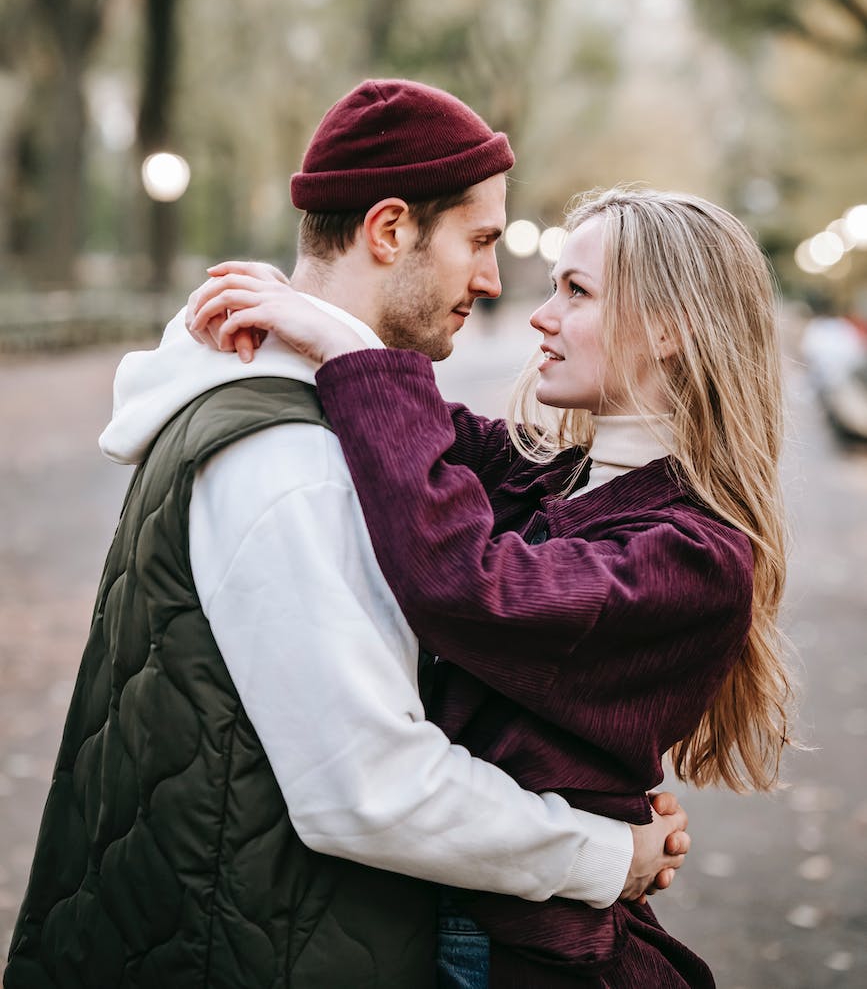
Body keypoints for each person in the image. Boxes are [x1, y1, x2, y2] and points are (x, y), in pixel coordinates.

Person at [4, 84, 688, 989]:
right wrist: (608, 858)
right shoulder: (297, 459)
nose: (493, 284)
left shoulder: (282, 413)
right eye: (480, 241)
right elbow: (370, 787)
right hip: (259, 948)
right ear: (391, 229)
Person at [188, 184, 792, 987]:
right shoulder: (547, 474)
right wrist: (316, 321)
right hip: (441, 921)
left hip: (508, 954)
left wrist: (345, 348)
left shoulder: (694, 557)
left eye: (574, 292)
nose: (540, 315)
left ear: (668, 327)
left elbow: (468, 586)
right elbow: (408, 430)